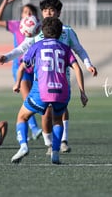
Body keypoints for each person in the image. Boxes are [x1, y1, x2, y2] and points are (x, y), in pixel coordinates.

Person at [0, 0, 97, 155]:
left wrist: (89, 64)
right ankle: (50, 144)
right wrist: (7, 57)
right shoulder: (37, 32)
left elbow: (79, 49)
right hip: (43, 79)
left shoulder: (67, 31)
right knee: (49, 112)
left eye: (52, 10)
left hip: (62, 77)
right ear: (42, 13)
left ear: (58, 12)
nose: (48, 13)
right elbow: (21, 48)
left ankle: (62, 141)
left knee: (60, 112)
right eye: (45, 10)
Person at [11, 17, 88, 164]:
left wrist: (17, 83)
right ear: (60, 34)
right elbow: (77, 68)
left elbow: (22, 66)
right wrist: (82, 92)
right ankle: (55, 152)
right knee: (58, 121)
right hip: (62, 91)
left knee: (22, 117)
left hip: (41, 92)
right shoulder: (65, 48)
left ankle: (23, 146)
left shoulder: (36, 46)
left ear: (41, 31)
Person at [0, 0, 42, 140]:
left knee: (39, 99)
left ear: (35, 16)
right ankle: (34, 129)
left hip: (37, 68)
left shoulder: (40, 29)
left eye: (30, 12)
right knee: (27, 98)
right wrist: (5, 3)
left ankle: (41, 128)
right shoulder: (16, 25)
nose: (27, 14)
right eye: (24, 12)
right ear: (21, 16)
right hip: (21, 67)